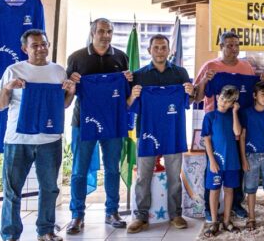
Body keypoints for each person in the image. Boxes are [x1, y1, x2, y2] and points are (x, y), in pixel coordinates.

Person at [0, 29, 75, 241]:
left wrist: (71, 92)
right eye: (35, 45)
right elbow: (1, 105)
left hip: (50, 140)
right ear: (25, 49)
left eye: (44, 44)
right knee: (12, 191)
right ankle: (10, 234)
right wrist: (7, 89)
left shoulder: (58, 71)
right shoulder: (13, 70)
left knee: (49, 189)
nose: (41, 48)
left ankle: (45, 231)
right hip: (17, 140)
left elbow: (63, 105)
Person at [65, 18, 131, 234]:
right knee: (79, 170)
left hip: (113, 122)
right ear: (93, 32)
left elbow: (126, 90)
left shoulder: (121, 57)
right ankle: (77, 215)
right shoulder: (76, 58)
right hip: (83, 122)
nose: (106, 35)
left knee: (112, 168)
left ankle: (112, 212)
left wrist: (128, 78)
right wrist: (72, 82)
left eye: (109, 31)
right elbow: (67, 92)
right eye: (101, 31)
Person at [126, 34, 194, 233]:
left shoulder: (180, 73)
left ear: (169, 50)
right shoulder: (139, 75)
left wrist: (191, 92)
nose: (160, 51)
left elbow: (189, 102)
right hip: (147, 132)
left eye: (163, 47)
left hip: (174, 131)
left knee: (174, 176)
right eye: (156, 47)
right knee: (143, 177)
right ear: (149, 50)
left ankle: (176, 214)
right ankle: (140, 217)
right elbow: (128, 105)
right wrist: (133, 96)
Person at [194, 31, 262, 219]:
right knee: (213, 165)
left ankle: (236, 204)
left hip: (239, 123)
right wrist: (205, 80)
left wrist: (262, 81)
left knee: (237, 164)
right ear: (221, 46)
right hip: (216, 127)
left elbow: (255, 92)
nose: (234, 49)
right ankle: (209, 207)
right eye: (230, 45)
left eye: (237, 45)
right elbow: (197, 97)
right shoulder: (210, 66)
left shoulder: (246, 67)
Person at [202, 86, 241, 237]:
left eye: (228, 102)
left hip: (232, 161)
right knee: (214, 190)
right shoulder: (210, 116)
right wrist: (212, 161)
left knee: (229, 190)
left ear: (233, 103)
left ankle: (226, 220)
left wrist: (235, 112)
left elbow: (237, 132)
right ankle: (214, 221)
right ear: (218, 97)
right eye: (223, 99)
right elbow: (207, 140)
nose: (224, 103)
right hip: (216, 161)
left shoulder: (233, 116)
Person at [239, 81, 264, 230]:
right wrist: (244, 159)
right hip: (250, 156)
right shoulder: (247, 113)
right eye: (262, 94)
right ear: (254, 96)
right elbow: (242, 137)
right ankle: (251, 218)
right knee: (250, 188)